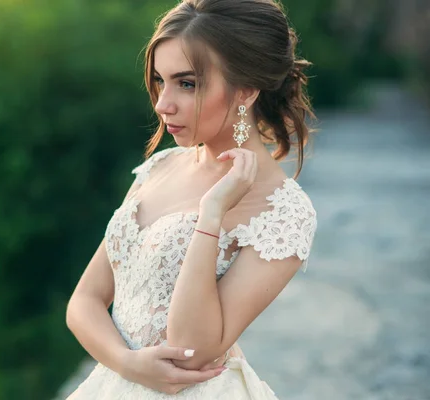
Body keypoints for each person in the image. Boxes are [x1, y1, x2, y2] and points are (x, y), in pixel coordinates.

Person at [65, 0, 317, 398]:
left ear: (246, 90)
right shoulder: (160, 167)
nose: (163, 104)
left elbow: (191, 350)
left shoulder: (283, 211)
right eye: (160, 81)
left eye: (187, 83)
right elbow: (84, 300)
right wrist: (127, 363)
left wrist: (212, 213)